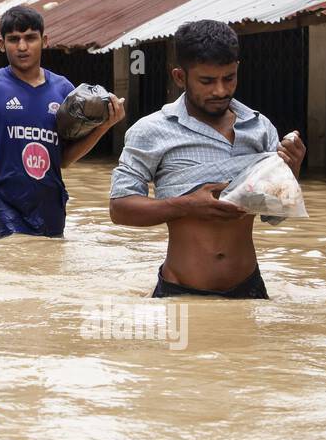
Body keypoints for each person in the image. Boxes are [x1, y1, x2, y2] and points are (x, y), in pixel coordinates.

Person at [108, 20, 306, 299]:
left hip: (249, 288)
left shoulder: (259, 128)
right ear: (179, 76)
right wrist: (187, 205)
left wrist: (291, 172)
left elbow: (273, 216)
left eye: (229, 78)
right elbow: (119, 209)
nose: (221, 91)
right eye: (207, 81)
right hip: (180, 290)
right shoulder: (151, 131)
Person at [0, 6, 125, 239]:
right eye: (14, 39)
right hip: (3, 200)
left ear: (44, 41)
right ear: (1, 44)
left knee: (45, 266)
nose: (22, 47)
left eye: (30, 38)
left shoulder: (64, 90)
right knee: (15, 254)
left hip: (51, 200)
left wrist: (103, 127)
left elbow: (63, 159)